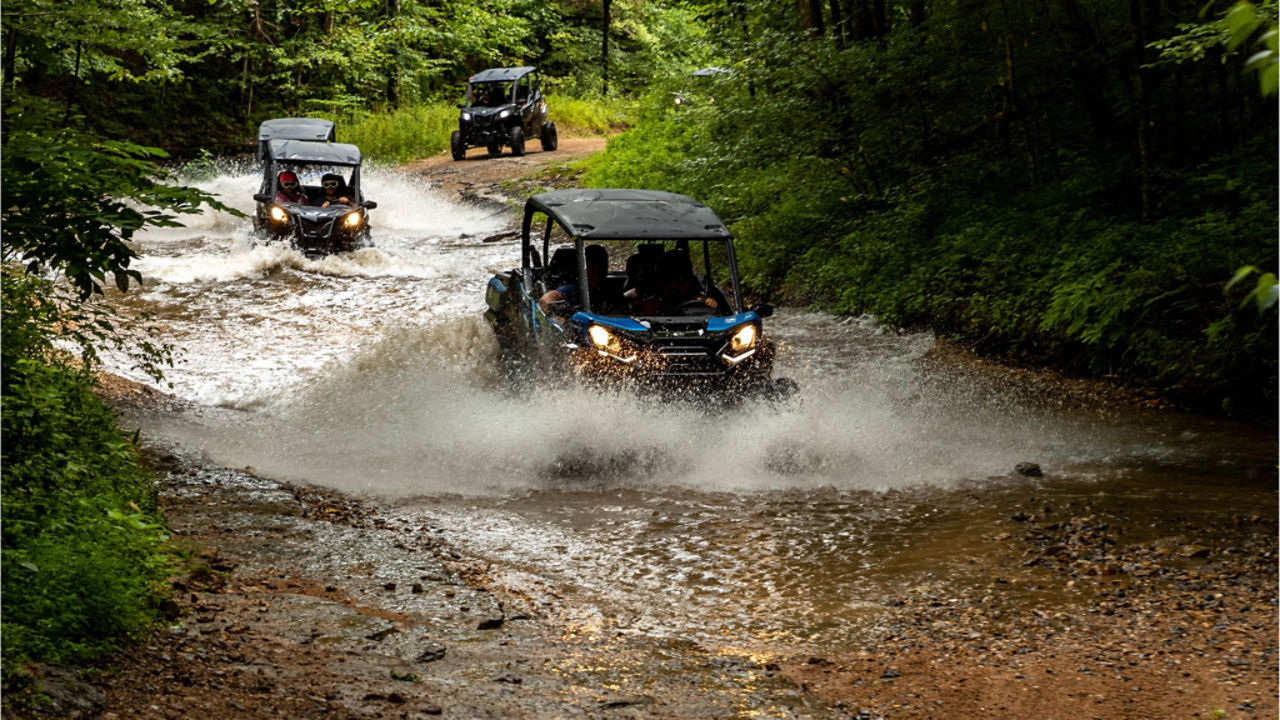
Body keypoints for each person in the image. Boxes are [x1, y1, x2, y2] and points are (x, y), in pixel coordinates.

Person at [627, 249, 718, 316]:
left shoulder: (695, 292)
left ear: (688, 281)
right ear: (658, 281)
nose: (674, 288)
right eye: (667, 281)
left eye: (679, 282)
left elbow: (720, 319)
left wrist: (709, 303)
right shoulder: (640, 295)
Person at [539, 244, 622, 315]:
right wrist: (557, 317)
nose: (596, 273)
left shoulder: (612, 288)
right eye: (592, 269)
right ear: (583, 269)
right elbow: (545, 299)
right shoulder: (573, 289)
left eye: (600, 269)